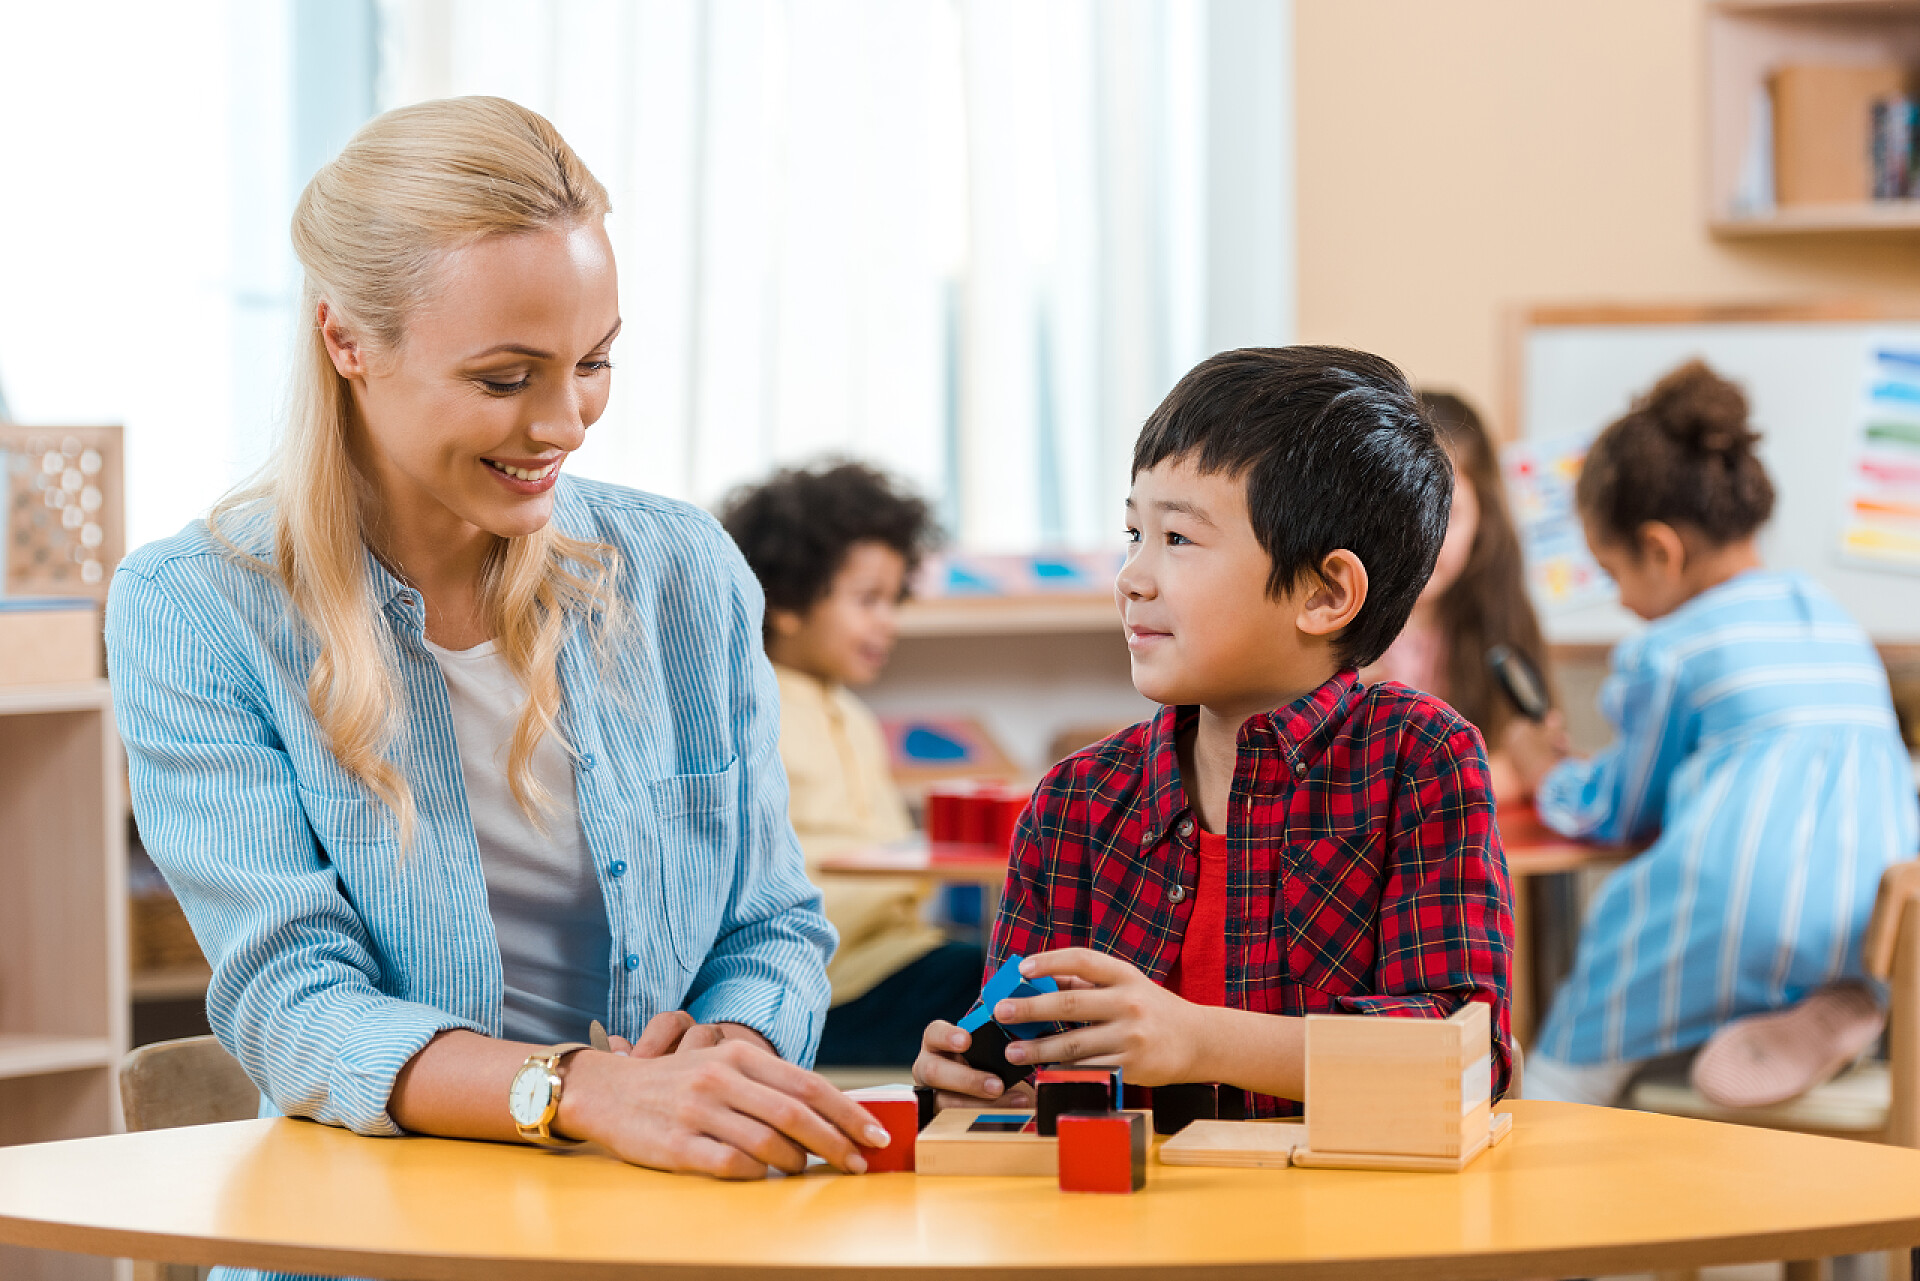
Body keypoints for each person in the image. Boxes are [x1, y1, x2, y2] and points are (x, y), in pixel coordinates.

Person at [106, 97, 891, 1252]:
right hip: (375, 1247)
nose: (563, 422)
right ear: (346, 342)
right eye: (504, 377)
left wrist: (738, 1052)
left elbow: (771, 923)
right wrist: (582, 1091)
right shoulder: (197, 609)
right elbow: (297, 1009)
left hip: (680, 1232)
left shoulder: (682, 573)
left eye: (594, 362)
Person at [911, 347, 1515, 1115]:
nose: (1132, 577)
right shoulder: (1074, 801)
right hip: (1133, 1226)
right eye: (1134, 533)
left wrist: (1198, 1039)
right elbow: (1034, 1076)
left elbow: (1463, 1056)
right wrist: (973, 1080)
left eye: (1179, 540)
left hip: (1342, 1223)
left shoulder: (1420, 757)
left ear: (1327, 592)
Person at [1507, 360, 1920, 1106]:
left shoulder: (1670, 650)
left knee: (1602, 977)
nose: (1623, 602)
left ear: (1661, 551)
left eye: (1614, 573)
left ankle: (1554, 1106)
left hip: (1743, 912)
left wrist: (1545, 770)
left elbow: (1621, 806)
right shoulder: (1829, 616)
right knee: (1760, 932)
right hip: (1873, 923)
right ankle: (1820, 1007)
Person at [720, 461, 983, 1065]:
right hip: (828, 989)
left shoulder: (854, 717)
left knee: (1022, 975)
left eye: (894, 600)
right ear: (785, 601)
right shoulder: (753, 706)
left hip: (895, 959)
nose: (887, 622)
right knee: (1009, 992)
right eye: (867, 600)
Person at [1366, 391, 1550, 801]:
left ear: (1484, 517)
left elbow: (1534, 761)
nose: (1423, 541)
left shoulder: (1503, 622)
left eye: (1448, 514)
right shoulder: (1332, 629)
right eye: (1403, 513)